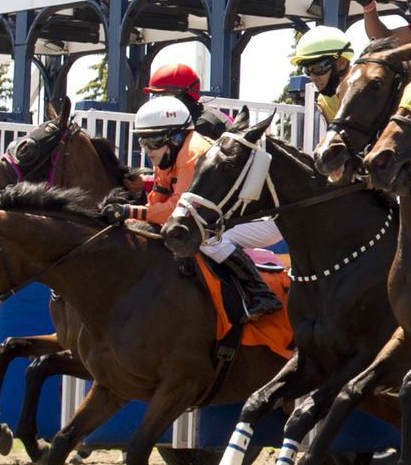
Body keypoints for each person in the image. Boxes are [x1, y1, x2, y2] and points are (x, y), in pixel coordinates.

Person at [105, 95, 284, 319]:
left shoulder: (193, 154)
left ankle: (262, 293)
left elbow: (175, 210)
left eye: (152, 141)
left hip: (264, 220)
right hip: (228, 214)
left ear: (174, 137)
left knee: (206, 239)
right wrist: (133, 219)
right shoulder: (169, 154)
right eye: (143, 142)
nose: (147, 150)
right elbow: (156, 204)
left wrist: (129, 211)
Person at [286, 26, 357, 123]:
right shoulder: (322, 102)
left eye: (318, 68)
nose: (313, 78)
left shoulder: (372, 96)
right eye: (308, 70)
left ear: (342, 62)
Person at [145, 59, 232, 138]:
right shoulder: (188, 119)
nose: (158, 102)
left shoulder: (202, 125)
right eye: (154, 95)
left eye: (164, 95)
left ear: (186, 96)